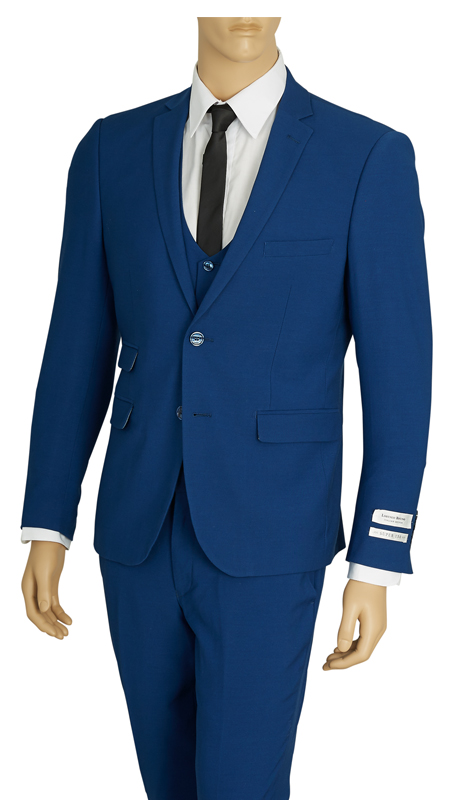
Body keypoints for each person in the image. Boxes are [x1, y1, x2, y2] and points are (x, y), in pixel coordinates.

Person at [20, 17, 432, 799]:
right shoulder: (109, 151)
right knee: (166, 785)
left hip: (272, 538)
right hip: (138, 535)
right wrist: (48, 521)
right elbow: (74, 348)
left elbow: (400, 379)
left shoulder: (365, 157)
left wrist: (377, 559)